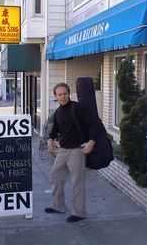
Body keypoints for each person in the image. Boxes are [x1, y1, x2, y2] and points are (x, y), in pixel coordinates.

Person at [46, 82, 98, 222]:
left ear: (69, 94)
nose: (62, 96)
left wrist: (91, 142)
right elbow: (55, 130)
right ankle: (58, 206)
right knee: (55, 176)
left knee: (77, 182)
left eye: (65, 93)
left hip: (77, 150)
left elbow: (94, 124)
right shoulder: (58, 112)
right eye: (59, 94)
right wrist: (50, 139)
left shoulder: (78, 108)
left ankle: (79, 212)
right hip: (63, 150)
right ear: (56, 96)